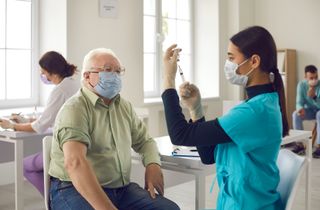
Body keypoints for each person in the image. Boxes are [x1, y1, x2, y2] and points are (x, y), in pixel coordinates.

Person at [162, 26, 289, 209]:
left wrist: (168, 79)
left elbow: (180, 135)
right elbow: (208, 155)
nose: (227, 64)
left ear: (253, 61)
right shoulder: (260, 104)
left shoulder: (253, 112)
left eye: (231, 58)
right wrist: (196, 109)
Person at [48, 48, 180, 210]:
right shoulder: (75, 109)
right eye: (107, 70)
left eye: (118, 71)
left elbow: (145, 141)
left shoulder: (124, 107)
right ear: (87, 76)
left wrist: (153, 164)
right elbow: (75, 163)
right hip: (73, 188)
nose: (115, 76)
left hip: (121, 189)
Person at [0, 51, 80, 195]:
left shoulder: (59, 90)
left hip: (66, 149)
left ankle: (53, 200)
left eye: (43, 72)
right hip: (79, 146)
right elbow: (54, 118)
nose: (42, 76)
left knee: (24, 165)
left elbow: (39, 127)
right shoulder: (74, 85)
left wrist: (11, 126)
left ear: (52, 72)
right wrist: (26, 121)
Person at [292, 65, 320, 158]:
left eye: (316, 77)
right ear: (305, 77)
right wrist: (300, 108)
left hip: (319, 111)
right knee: (295, 115)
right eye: (311, 78)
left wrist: (314, 97)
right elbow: (299, 102)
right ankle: (299, 144)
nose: (314, 80)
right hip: (310, 111)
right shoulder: (301, 85)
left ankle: (319, 146)